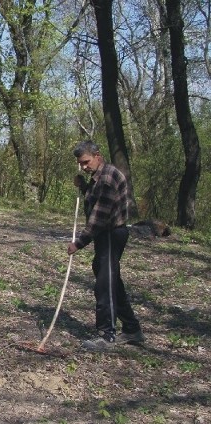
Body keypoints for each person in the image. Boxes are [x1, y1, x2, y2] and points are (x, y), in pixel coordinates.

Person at [67, 140, 145, 351]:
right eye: (81, 164)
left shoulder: (109, 177)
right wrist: (83, 186)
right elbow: (95, 198)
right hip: (105, 235)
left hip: (112, 234)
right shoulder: (97, 177)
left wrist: (79, 243)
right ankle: (131, 329)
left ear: (98, 156)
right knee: (109, 278)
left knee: (104, 283)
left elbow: (99, 216)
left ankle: (106, 335)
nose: (83, 167)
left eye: (86, 162)